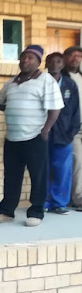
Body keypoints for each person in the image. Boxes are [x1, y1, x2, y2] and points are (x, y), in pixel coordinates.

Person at [0, 45, 64, 227]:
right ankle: (7, 211)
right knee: (11, 176)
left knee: (38, 176)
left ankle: (36, 211)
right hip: (12, 138)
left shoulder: (46, 80)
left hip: (34, 136)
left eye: (30, 58)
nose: (25, 61)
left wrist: (45, 130)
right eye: (23, 57)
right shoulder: (11, 82)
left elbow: (56, 108)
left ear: (38, 62)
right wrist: (15, 108)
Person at [44, 52, 80, 214]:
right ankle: (43, 201)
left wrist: (71, 132)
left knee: (62, 169)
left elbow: (75, 111)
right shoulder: (40, 81)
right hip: (42, 134)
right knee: (42, 169)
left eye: (58, 61)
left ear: (62, 64)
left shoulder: (69, 84)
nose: (55, 64)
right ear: (46, 63)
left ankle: (59, 202)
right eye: (51, 61)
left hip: (64, 134)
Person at [64, 46, 82, 210]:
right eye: (72, 56)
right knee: (77, 162)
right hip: (73, 128)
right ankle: (78, 199)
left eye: (79, 56)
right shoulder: (60, 77)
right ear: (65, 58)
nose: (76, 59)